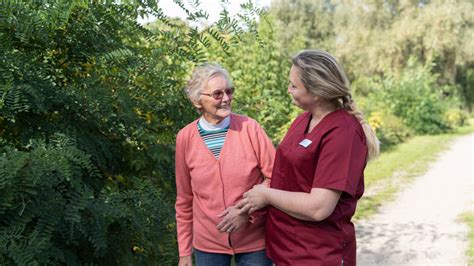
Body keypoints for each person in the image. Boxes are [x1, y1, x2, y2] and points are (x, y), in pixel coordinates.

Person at [237, 50, 380, 265]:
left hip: (317, 254)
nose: (288, 90)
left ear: (317, 93)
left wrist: (266, 195)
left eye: (294, 86)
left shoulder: (343, 132)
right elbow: (287, 178)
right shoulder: (303, 120)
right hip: (285, 248)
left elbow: (318, 207)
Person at [175, 63, 275, 266]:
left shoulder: (250, 128)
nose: (227, 99)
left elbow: (277, 177)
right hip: (207, 245)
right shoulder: (185, 138)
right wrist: (184, 252)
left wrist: (245, 211)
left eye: (229, 91)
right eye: (218, 94)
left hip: (255, 241)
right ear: (197, 101)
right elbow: (185, 199)